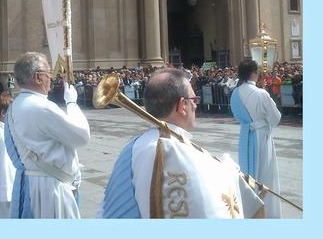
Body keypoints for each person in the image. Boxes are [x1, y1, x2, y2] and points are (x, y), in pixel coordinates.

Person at [99, 68, 262, 218]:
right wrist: (229, 170)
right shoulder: (171, 151)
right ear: (182, 105)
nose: (196, 104)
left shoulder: (135, 145)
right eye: (194, 99)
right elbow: (212, 204)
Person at [4, 52, 90, 218]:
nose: (51, 77)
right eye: (48, 73)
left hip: (32, 183)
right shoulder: (41, 106)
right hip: (50, 189)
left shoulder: (15, 105)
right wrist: (72, 102)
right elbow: (82, 136)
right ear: (38, 77)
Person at [230, 59, 282, 218]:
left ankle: (250, 210)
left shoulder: (235, 93)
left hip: (246, 136)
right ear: (254, 73)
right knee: (266, 175)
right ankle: (268, 214)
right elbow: (276, 117)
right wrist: (265, 124)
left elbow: (237, 115)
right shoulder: (261, 93)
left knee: (249, 175)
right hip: (262, 137)